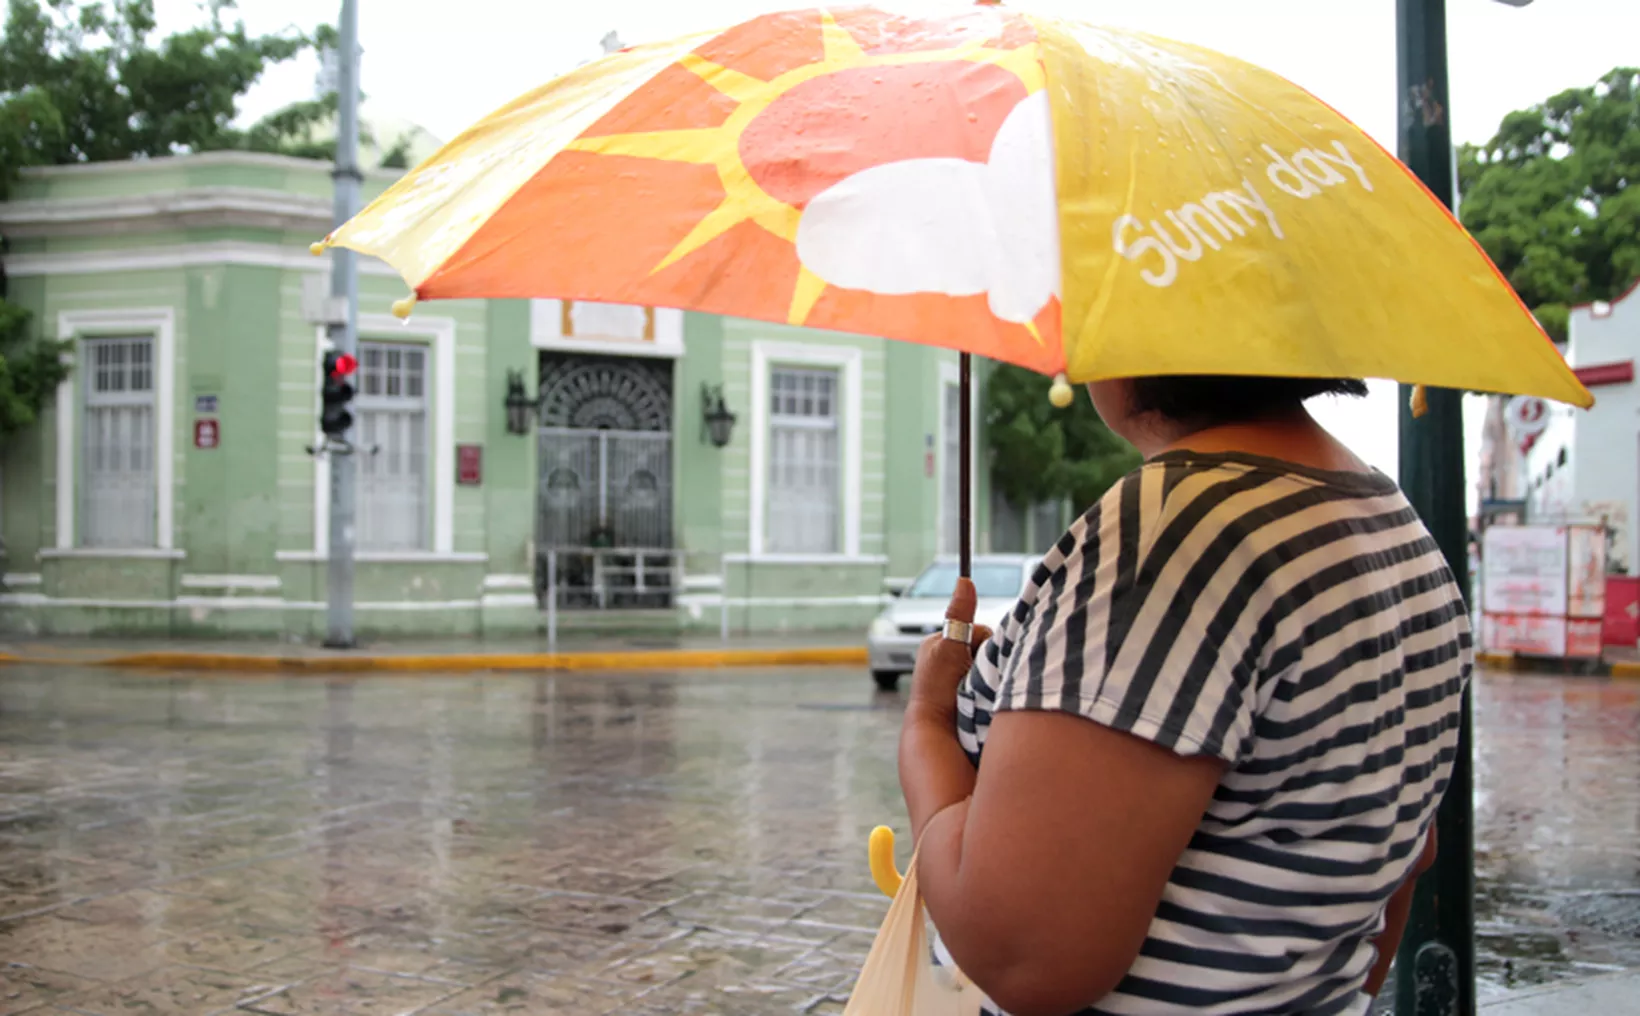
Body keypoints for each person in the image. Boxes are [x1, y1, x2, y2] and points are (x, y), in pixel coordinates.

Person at [899, 375, 1464, 1016]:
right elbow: (1405, 856)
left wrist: (928, 723)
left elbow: (1023, 957)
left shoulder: (1163, 541)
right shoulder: (1390, 524)